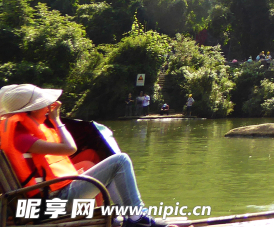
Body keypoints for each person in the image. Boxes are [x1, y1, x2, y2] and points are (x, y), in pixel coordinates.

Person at [0, 84, 174, 227]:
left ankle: (129, 217)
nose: (48, 108)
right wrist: (56, 120)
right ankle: (138, 218)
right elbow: (70, 148)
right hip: (49, 206)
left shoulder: (21, 133)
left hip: (45, 201)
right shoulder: (21, 138)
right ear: (29, 111)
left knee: (105, 167)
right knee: (120, 161)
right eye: (43, 105)